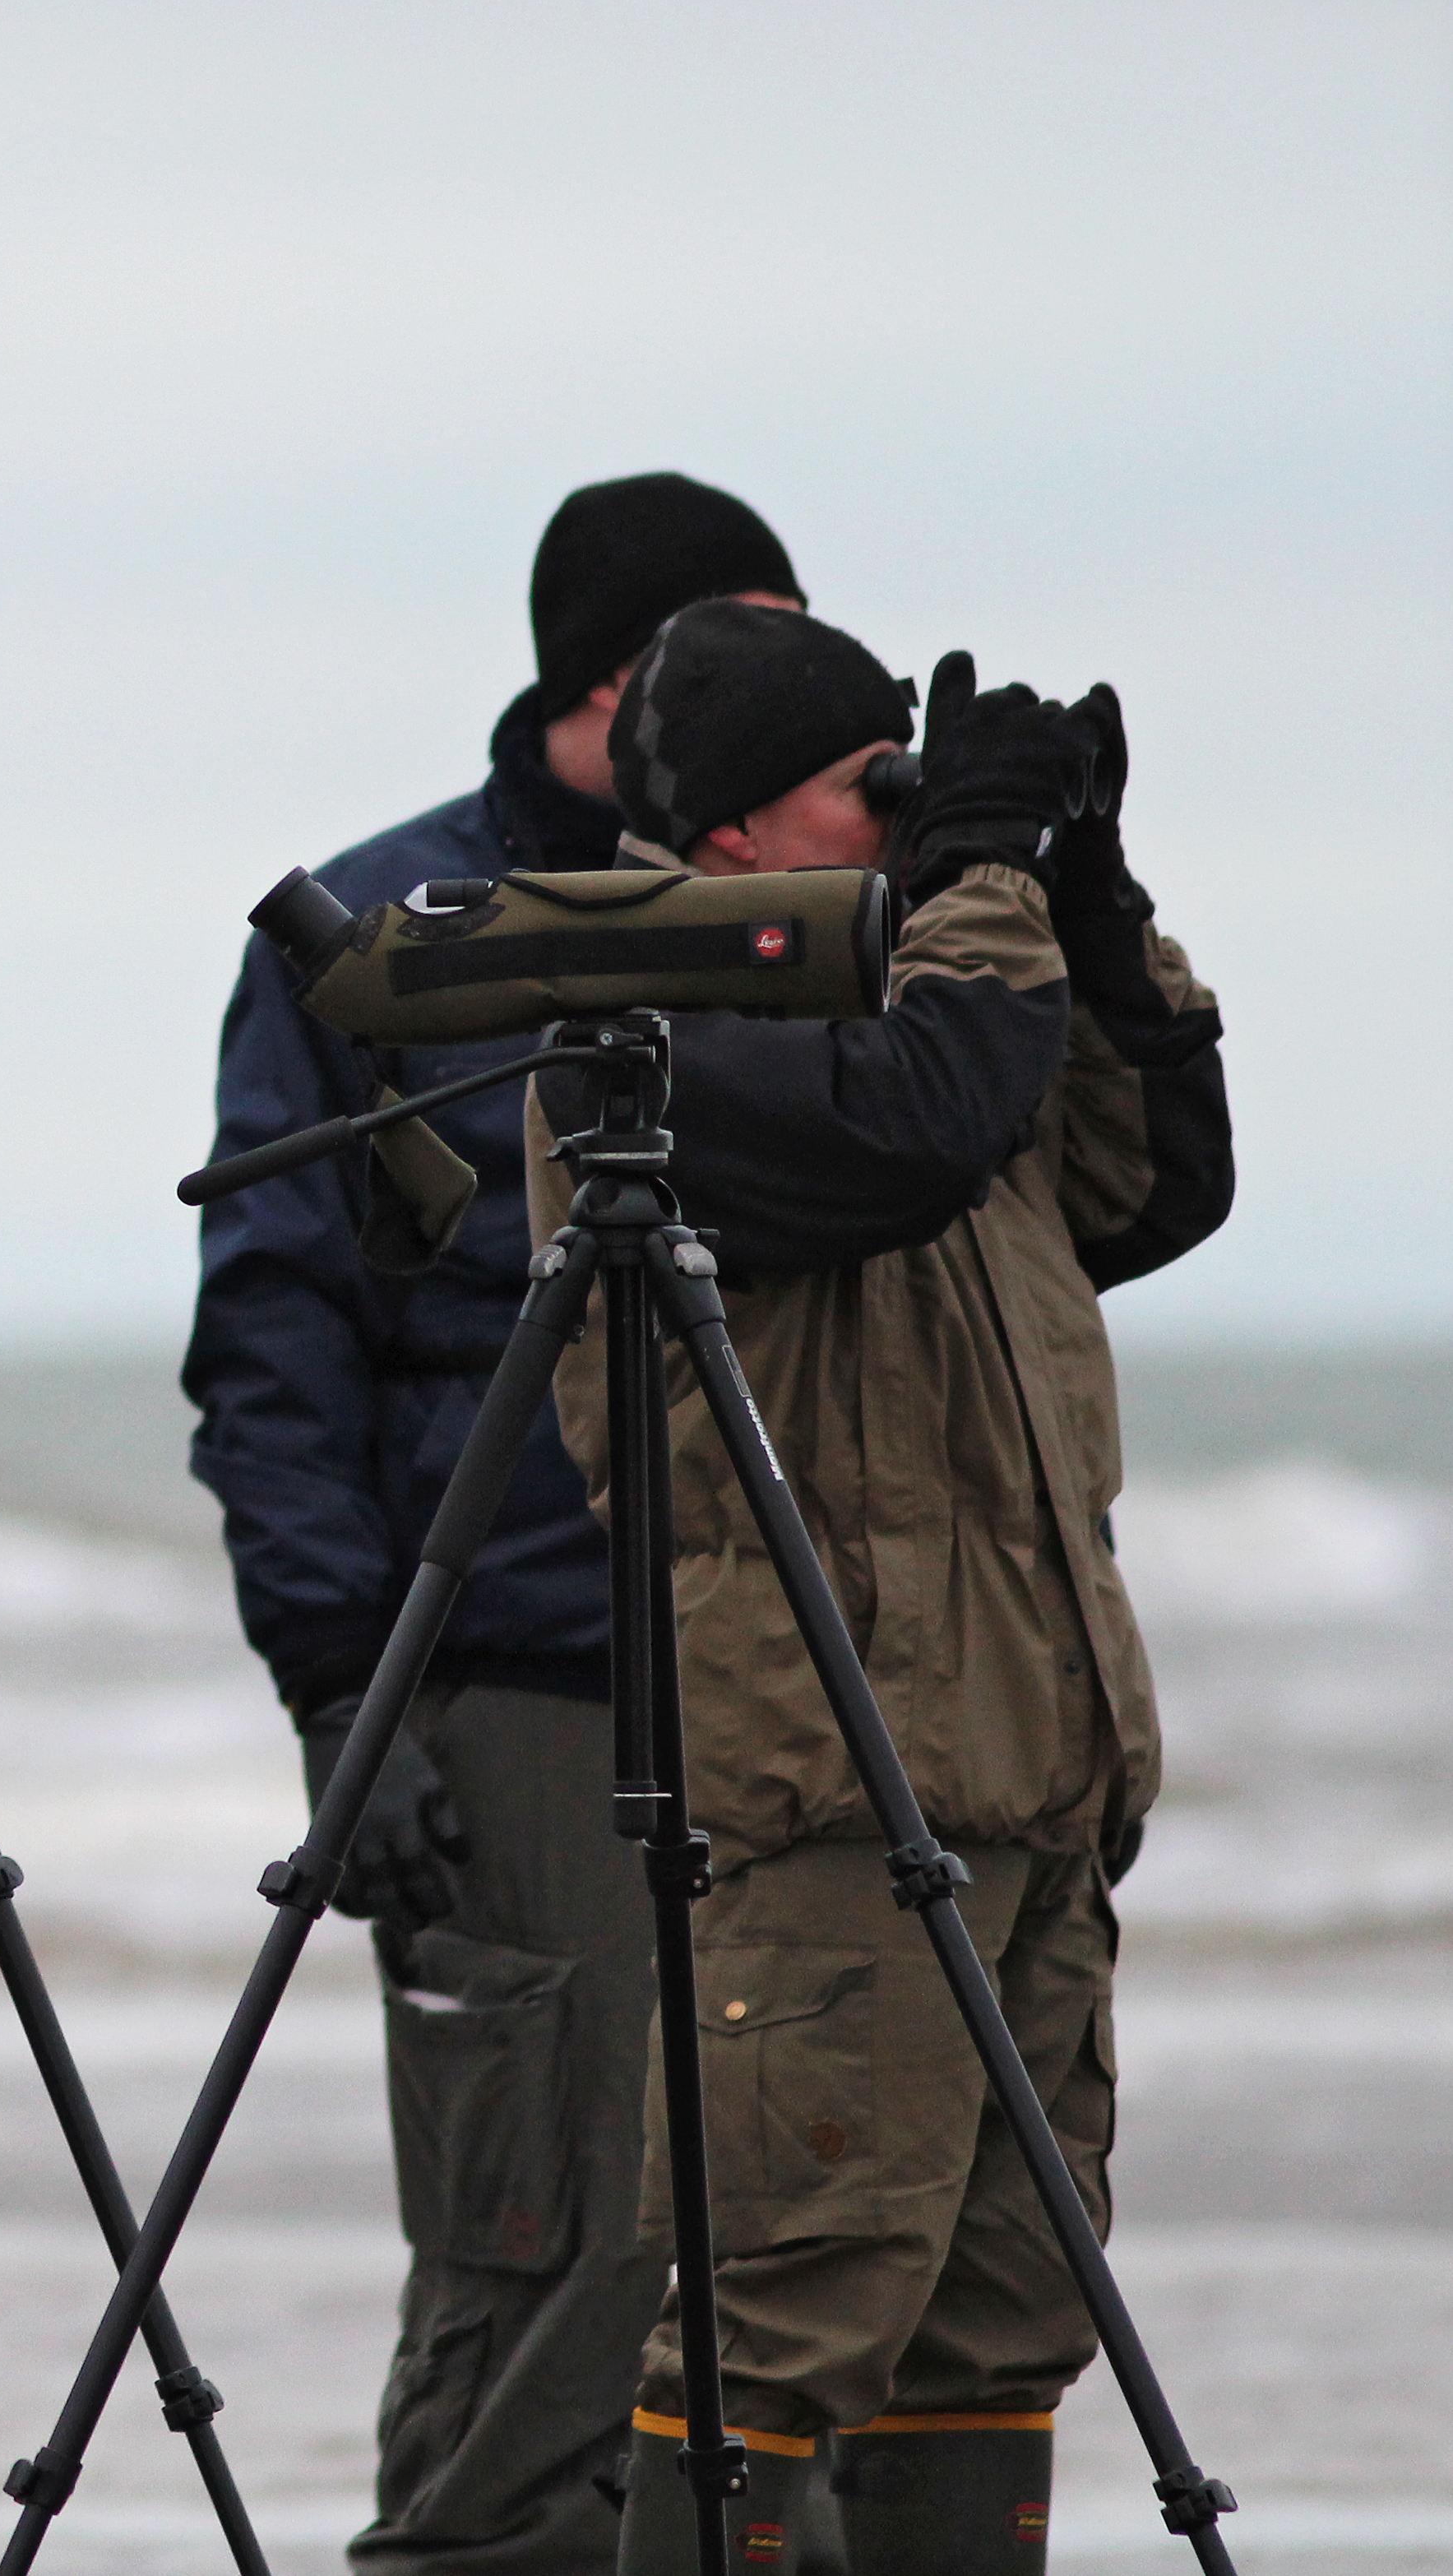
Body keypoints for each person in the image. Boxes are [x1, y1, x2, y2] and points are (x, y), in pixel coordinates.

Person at [540, 600, 1228, 2570]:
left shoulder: (938, 996)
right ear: (741, 833)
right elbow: (917, 1129)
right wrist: (986, 887)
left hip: (1018, 1781)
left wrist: (1080, 899)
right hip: (831, 1801)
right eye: (879, 792)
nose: (916, 830)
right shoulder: (640, 1035)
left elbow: (1153, 1178)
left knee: (993, 2321)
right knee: (777, 2317)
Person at [182, 473, 809, 2574]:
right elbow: (271, 1340)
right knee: (544, 2249)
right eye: (720, 660)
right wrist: (343, 1696)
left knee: (799, 2247)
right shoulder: (381, 940)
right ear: (604, 680)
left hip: (792, 1676)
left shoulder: (794, 919)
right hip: (514, 1682)